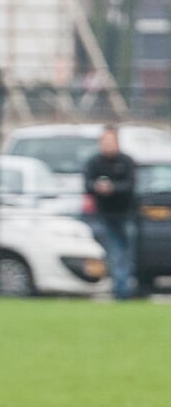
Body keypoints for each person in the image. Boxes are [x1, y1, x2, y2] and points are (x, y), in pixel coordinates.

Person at [84, 125, 138, 300]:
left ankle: (123, 290)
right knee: (115, 253)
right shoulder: (94, 163)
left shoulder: (126, 162)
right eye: (104, 141)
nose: (107, 145)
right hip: (104, 216)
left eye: (110, 141)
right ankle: (119, 290)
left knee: (126, 254)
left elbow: (130, 186)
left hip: (125, 214)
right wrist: (97, 187)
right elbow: (87, 185)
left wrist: (112, 188)